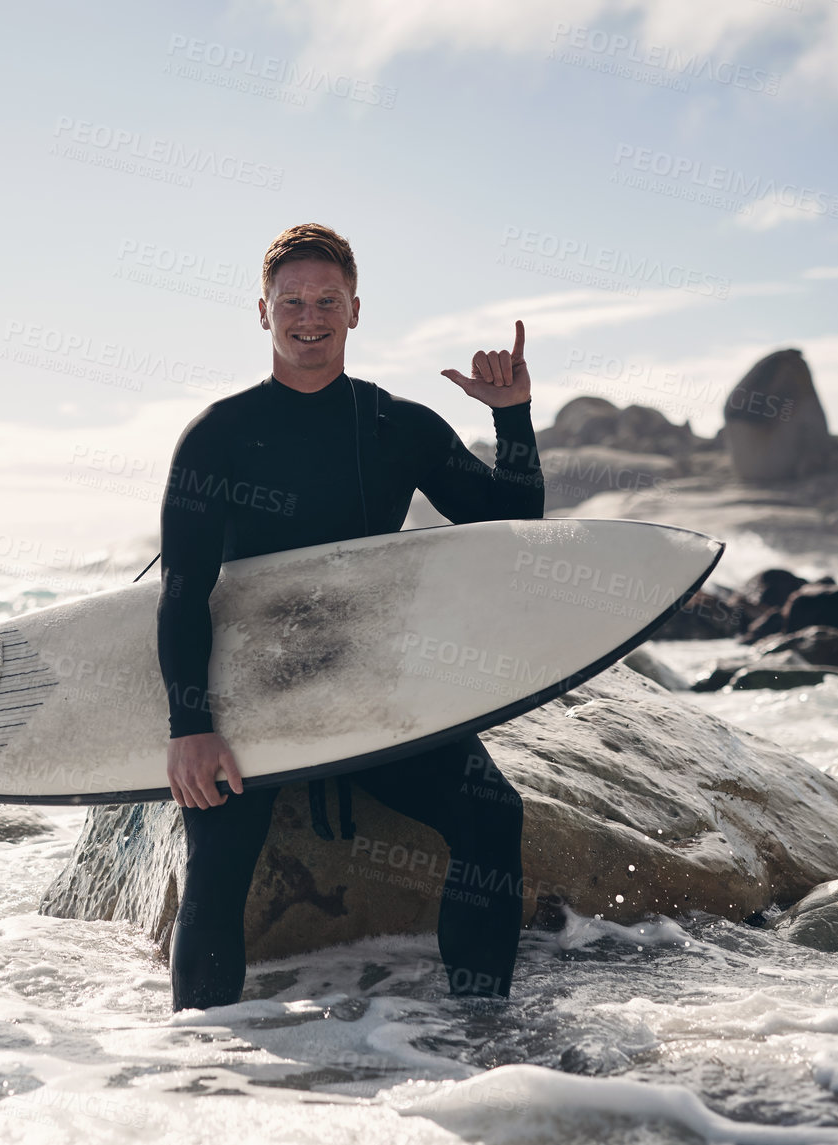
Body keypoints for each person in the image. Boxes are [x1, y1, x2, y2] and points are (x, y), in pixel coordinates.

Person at [156, 223, 545, 1011]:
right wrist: (190, 726)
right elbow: (183, 588)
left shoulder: (398, 427)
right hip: (251, 693)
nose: (309, 316)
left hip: (369, 687)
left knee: (492, 817)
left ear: (355, 311)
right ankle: (192, 1079)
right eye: (291, 300)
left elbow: (511, 528)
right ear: (261, 312)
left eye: (326, 300)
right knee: (219, 860)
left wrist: (511, 416)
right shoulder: (218, 437)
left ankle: (481, 1031)